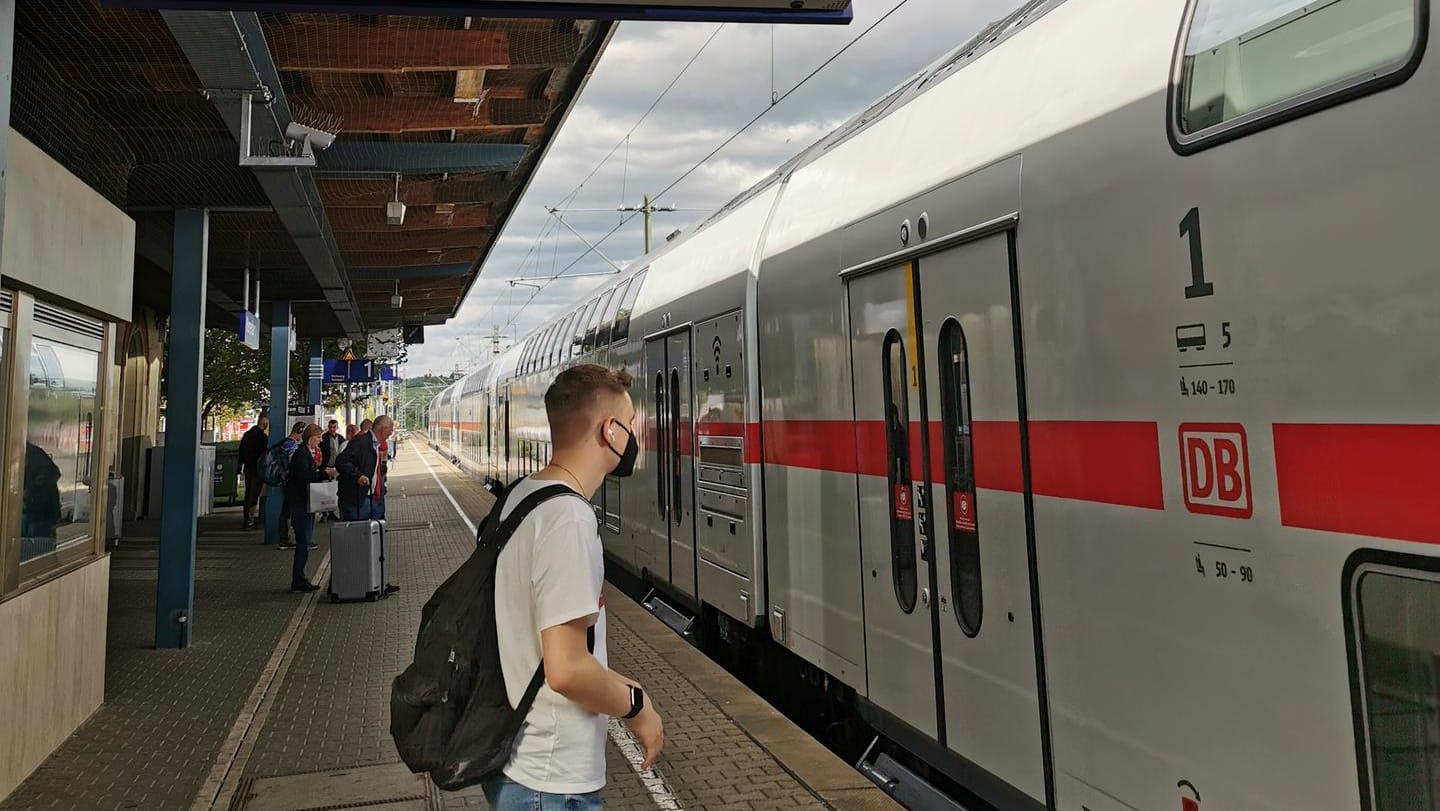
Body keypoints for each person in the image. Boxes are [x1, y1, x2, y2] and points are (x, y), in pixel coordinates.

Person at [485, 364, 663, 809]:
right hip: (550, 780)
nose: (635, 438)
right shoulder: (569, 518)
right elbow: (565, 670)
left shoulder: (522, 495)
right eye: (632, 425)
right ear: (611, 431)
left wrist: (627, 684)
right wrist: (637, 706)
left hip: (519, 761)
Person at [335, 415, 399, 595]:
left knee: (377, 540)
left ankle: (379, 582)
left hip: (374, 498)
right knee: (355, 543)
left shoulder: (378, 446)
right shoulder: (361, 442)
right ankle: (347, 583)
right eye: (390, 428)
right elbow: (341, 462)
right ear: (382, 429)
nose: (392, 431)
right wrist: (358, 476)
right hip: (358, 500)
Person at [285, 424, 336, 592]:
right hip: (301, 503)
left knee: (305, 541)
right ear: (311, 437)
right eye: (319, 437)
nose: (320, 441)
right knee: (304, 542)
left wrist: (322, 470)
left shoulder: (306, 453)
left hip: (305, 502)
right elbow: (304, 477)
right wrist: (323, 474)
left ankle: (300, 578)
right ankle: (298, 579)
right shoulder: (302, 454)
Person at [276, 421, 306, 549]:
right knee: (288, 511)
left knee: (285, 511)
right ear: (299, 431)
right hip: (289, 481)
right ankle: (285, 538)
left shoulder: (283, 443)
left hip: (282, 479)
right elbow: (293, 463)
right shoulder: (292, 445)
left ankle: (283, 538)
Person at [237, 413, 269, 530]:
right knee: (254, 494)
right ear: (264, 423)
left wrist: (240, 465)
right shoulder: (263, 438)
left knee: (248, 493)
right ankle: (250, 519)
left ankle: (247, 518)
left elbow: (241, 452)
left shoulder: (247, 435)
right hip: (258, 469)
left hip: (248, 468)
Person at [320, 419, 345, 521]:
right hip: (326, 466)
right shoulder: (323, 438)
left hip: (336, 468)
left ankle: (332, 512)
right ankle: (324, 513)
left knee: (333, 490)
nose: (332, 429)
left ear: (337, 427)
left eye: (334, 427)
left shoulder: (341, 438)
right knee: (325, 489)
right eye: (330, 427)